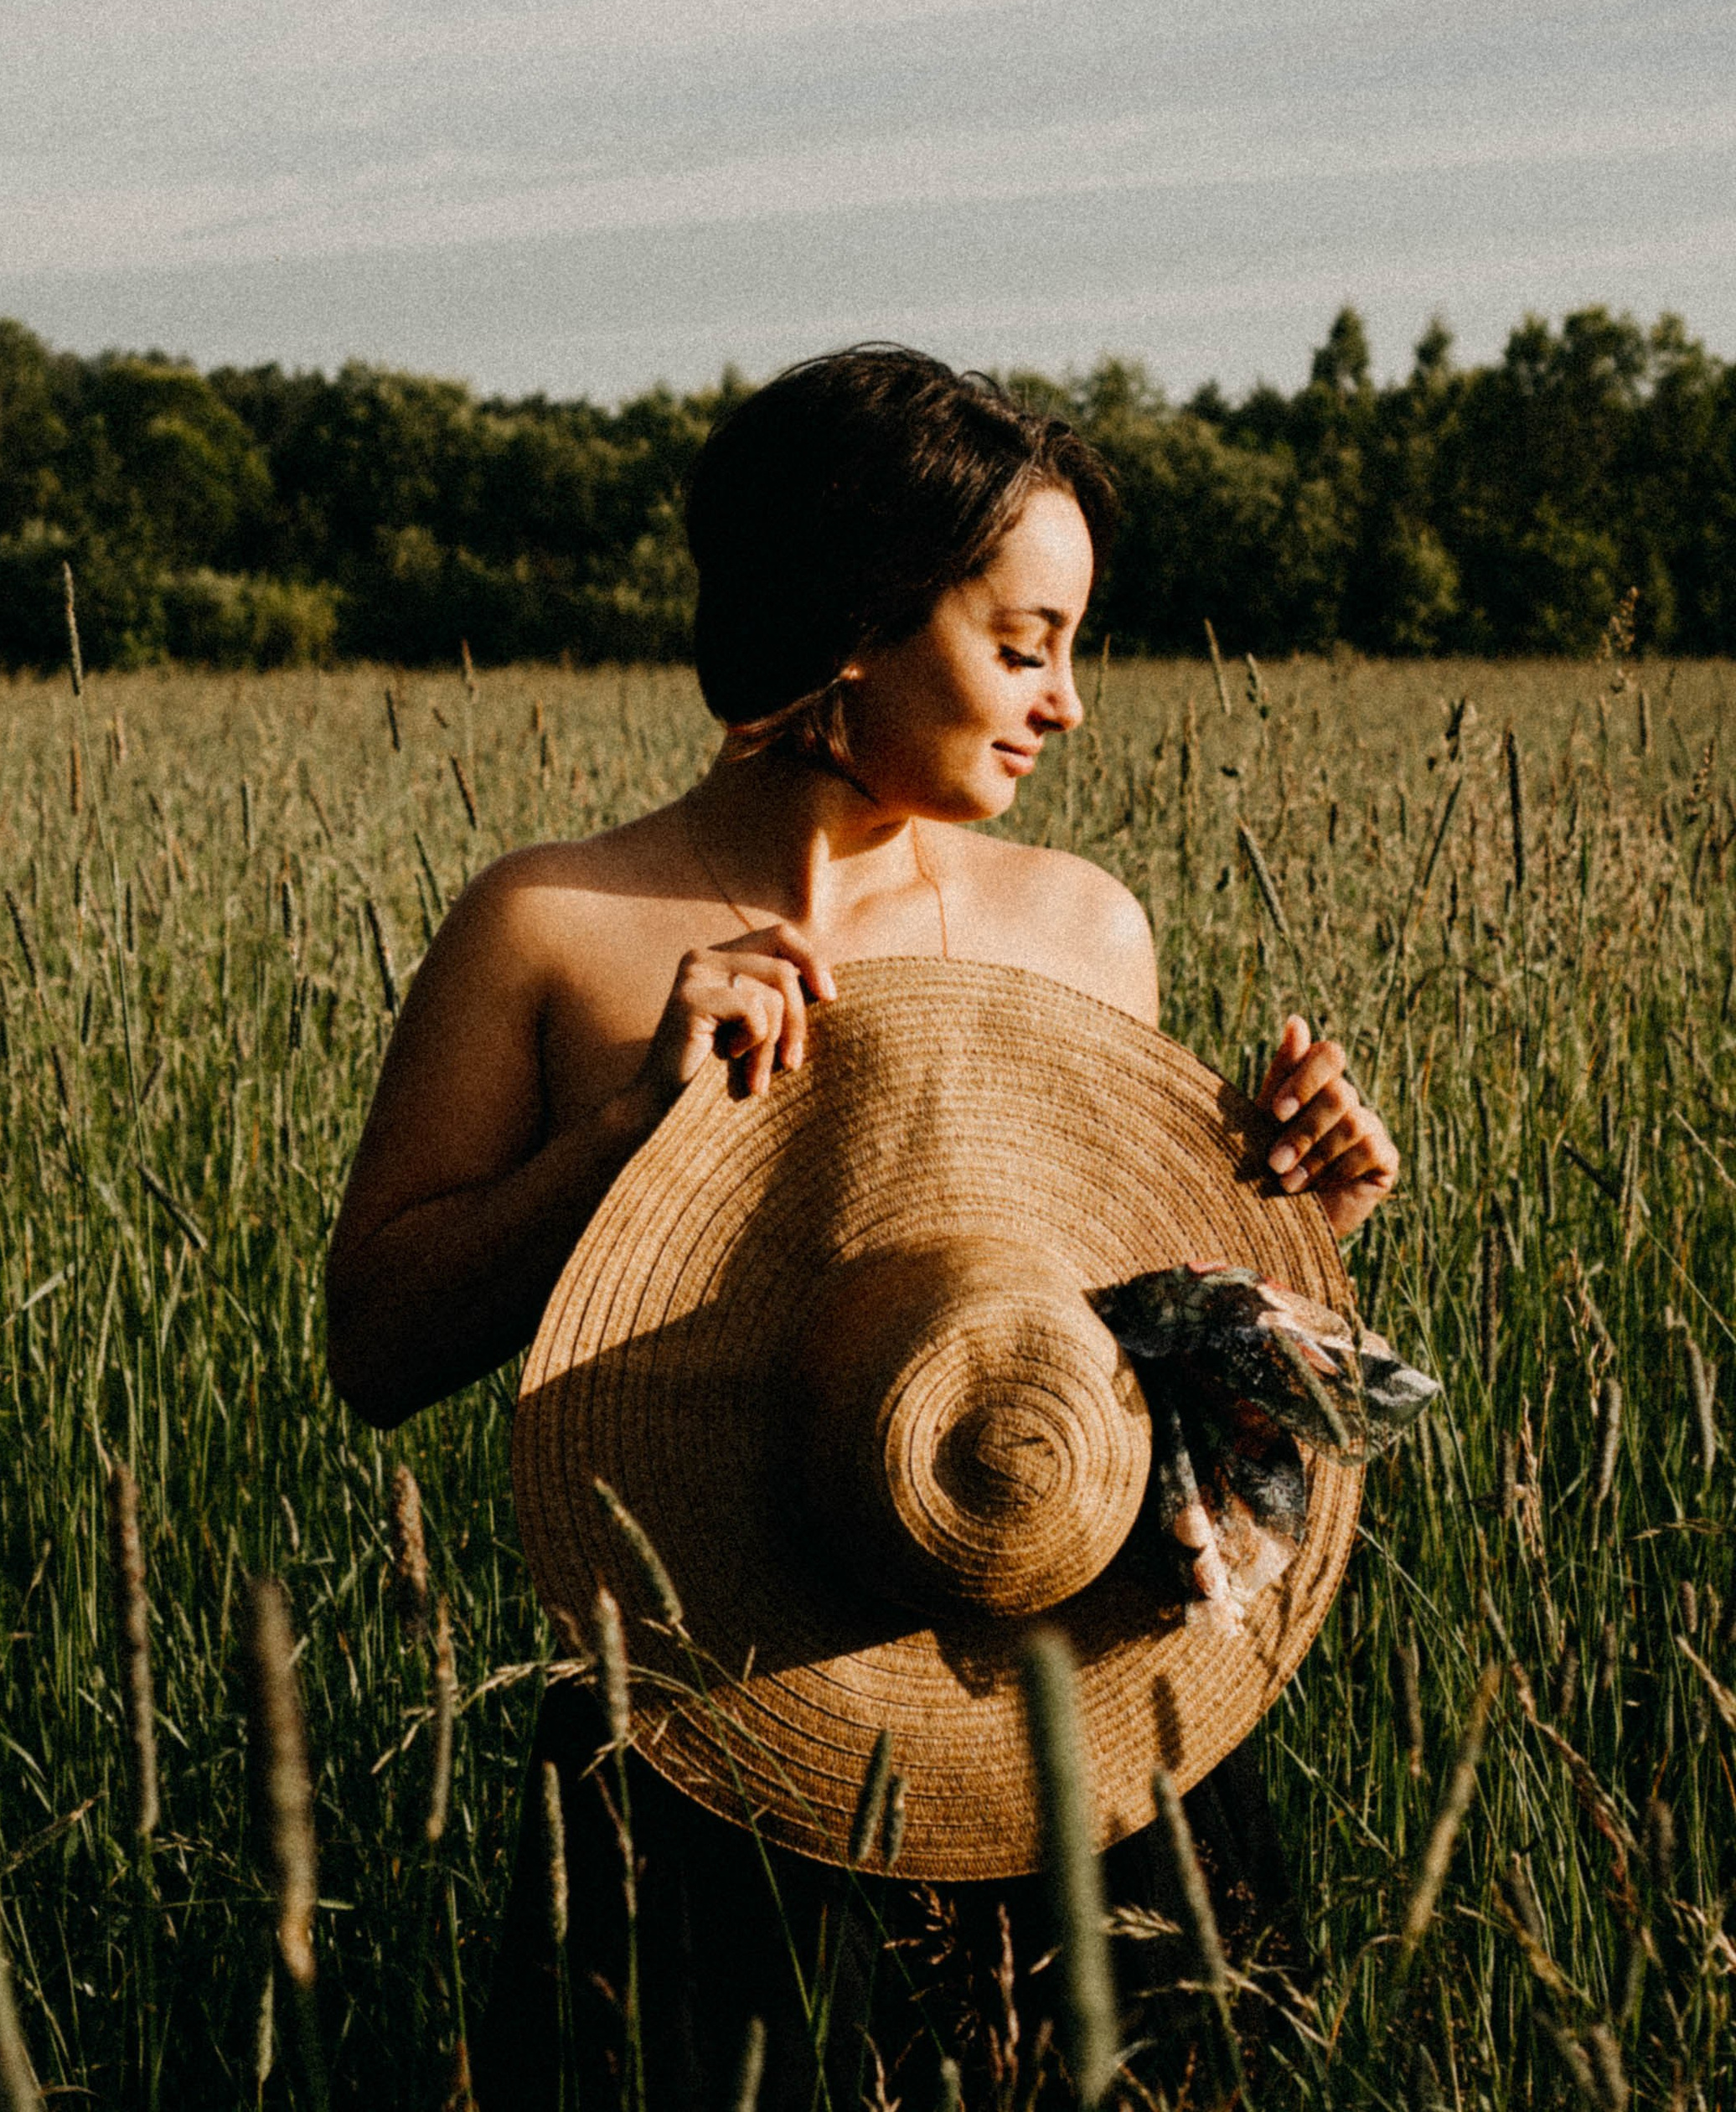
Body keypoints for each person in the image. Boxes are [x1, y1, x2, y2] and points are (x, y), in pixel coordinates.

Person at [327, 345, 1399, 2102]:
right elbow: (377, 1344)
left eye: (1071, 644)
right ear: (850, 620)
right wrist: (623, 1140)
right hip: (698, 1721)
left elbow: (1091, 1364)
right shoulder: (549, 926)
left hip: (1072, 1706)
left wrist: (1292, 1238)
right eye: (1021, 640)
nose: (1065, 702)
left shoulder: (1083, 933)